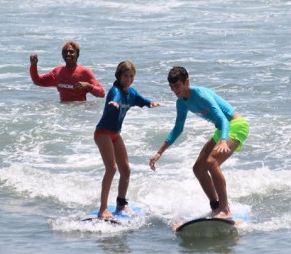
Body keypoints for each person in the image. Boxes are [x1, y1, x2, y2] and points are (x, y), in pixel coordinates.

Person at [149, 66, 250, 219]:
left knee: (211, 162)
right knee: (198, 168)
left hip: (235, 125)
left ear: (186, 82)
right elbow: (177, 129)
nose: (174, 90)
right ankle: (216, 207)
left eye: (177, 85)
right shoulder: (181, 102)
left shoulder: (201, 95)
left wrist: (223, 140)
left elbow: (223, 119)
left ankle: (225, 210)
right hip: (221, 129)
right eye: (171, 86)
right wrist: (159, 152)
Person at [94, 60, 160, 219]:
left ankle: (121, 205)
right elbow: (114, 98)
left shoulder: (132, 93)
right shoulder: (115, 91)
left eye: (131, 76)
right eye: (125, 76)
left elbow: (141, 100)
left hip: (115, 134)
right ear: (119, 75)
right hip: (103, 133)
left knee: (126, 169)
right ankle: (103, 209)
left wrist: (150, 103)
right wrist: (113, 103)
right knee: (111, 168)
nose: (129, 79)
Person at [29, 41, 105, 101]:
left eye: (71, 52)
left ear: (77, 55)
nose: (68, 54)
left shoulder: (85, 72)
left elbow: (102, 94)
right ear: (62, 55)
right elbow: (38, 81)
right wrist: (33, 65)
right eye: (65, 52)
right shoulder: (58, 72)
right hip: (64, 114)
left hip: (81, 112)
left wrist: (89, 86)